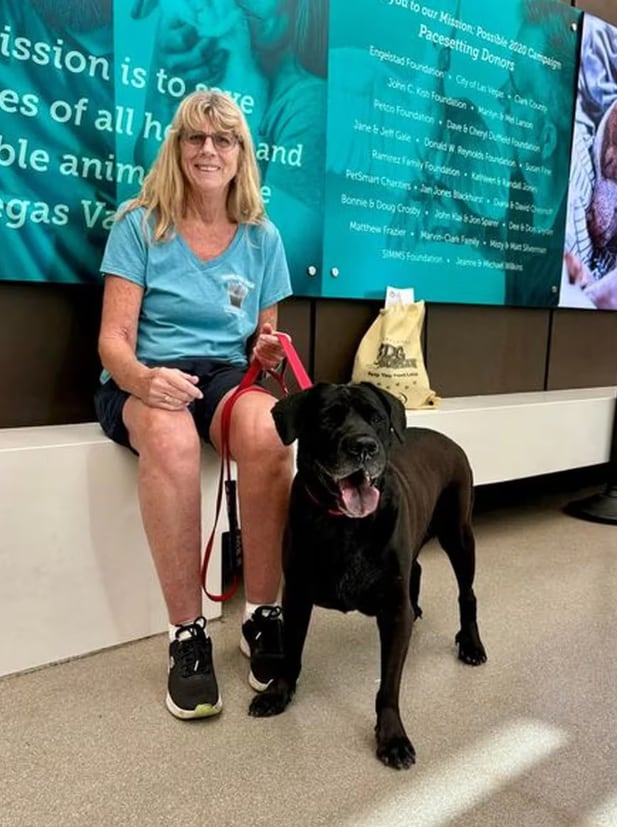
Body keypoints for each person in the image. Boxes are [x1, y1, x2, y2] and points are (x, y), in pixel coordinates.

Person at [94, 89, 294, 720]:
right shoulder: (140, 223)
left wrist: (267, 356)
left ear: (241, 154)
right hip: (144, 376)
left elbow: (265, 343)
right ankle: (187, 633)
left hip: (224, 375)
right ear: (177, 148)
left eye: (224, 139)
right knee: (174, 438)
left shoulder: (263, 239)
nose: (209, 150)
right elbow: (112, 342)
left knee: (269, 431)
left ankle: (262, 613)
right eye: (195, 138)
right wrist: (144, 380)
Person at [128, 0, 327, 284]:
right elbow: (149, 172)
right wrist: (163, 87)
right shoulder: (197, 76)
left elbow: (282, 265)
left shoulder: (308, 103)